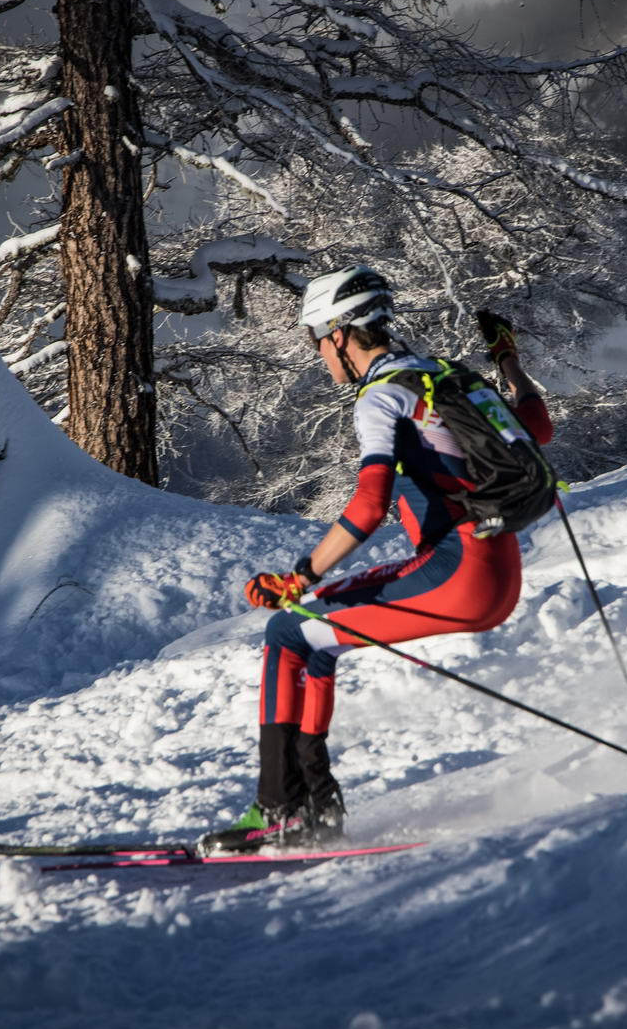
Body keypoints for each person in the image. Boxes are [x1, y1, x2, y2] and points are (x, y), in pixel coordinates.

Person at [198, 265, 554, 854]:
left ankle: (280, 811)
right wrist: (508, 358)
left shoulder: (381, 396)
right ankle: (314, 808)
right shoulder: (447, 377)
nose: (319, 355)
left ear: (339, 334)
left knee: (288, 628)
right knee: (313, 634)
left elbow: (368, 506)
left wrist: (300, 575)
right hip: (497, 572)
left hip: (457, 574)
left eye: (317, 339)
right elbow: (537, 426)